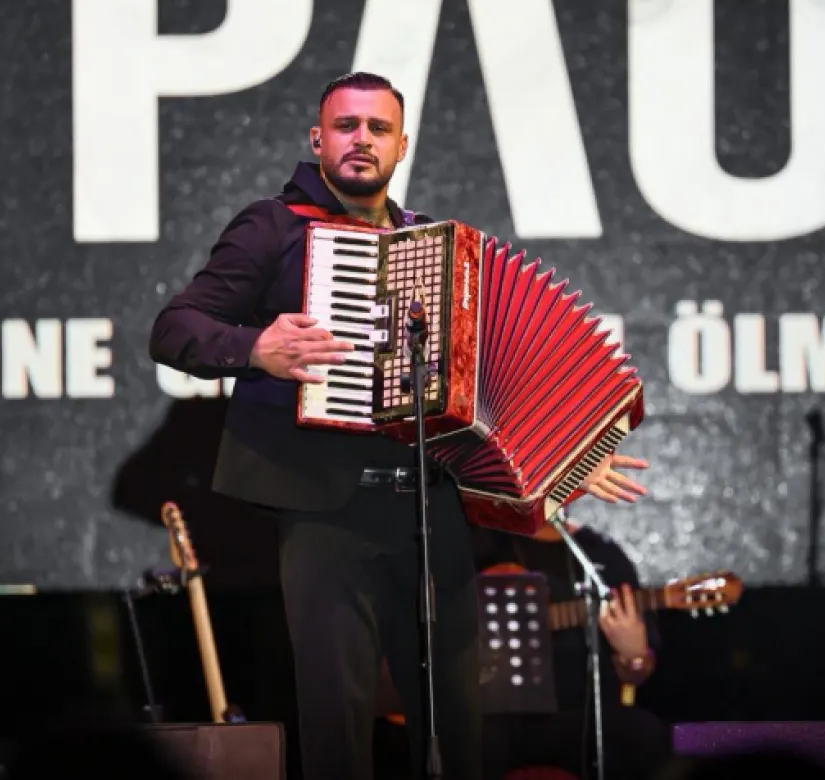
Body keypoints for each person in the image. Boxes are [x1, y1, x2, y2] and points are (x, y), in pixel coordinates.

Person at [149, 72, 649, 780]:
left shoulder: (430, 245)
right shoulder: (274, 226)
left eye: (377, 129)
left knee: (455, 724)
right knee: (339, 725)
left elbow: (480, 391)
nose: (361, 141)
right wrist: (255, 348)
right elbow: (174, 329)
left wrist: (560, 456)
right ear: (317, 139)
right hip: (324, 508)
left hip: (428, 506)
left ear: (401, 144)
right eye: (346, 127)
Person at [474, 520, 675, 780]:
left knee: (645, 735)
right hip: (489, 717)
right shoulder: (481, 542)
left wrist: (633, 655)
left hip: (575, 721)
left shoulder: (603, 555)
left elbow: (638, 675)